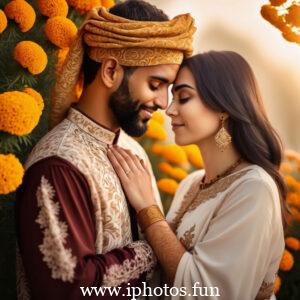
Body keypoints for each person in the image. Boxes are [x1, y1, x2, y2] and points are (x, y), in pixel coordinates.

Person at [15, 1, 196, 299]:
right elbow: (70, 289)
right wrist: (155, 242)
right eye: (155, 84)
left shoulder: (132, 150)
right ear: (111, 70)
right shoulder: (58, 165)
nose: (164, 103)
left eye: (169, 88)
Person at [107, 50, 287, 300]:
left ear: (223, 107)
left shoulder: (254, 189)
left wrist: (148, 210)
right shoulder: (191, 183)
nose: (169, 110)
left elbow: (208, 292)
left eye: (183, 97)